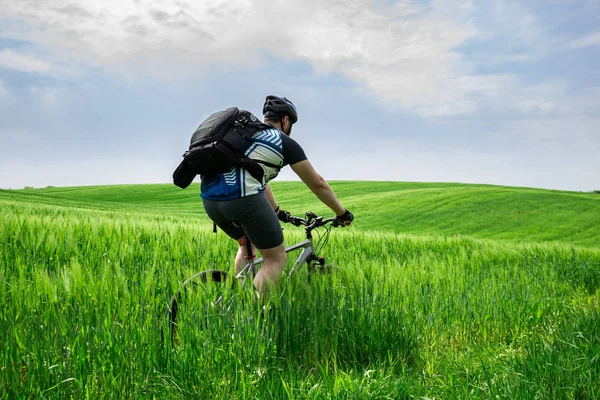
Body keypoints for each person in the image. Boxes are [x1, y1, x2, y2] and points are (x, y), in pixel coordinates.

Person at [200, 95, 353, 295]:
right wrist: (341, 213)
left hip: (210, 200)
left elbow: (260, 181)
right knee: (275, 258)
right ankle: (252, 317)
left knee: (247, 243)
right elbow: (318, 183)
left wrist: (278, 212)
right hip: (243, 200)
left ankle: (241, 295)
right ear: (286, 120)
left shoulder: (246, 136)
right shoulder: (283, 142)